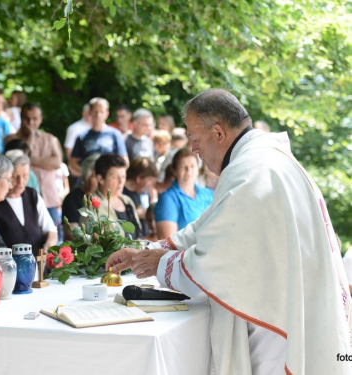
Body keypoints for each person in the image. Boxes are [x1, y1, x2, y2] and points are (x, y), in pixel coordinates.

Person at [106, 88, 352, 375]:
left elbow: (214, 262)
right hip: (292, 298)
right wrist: (149, 251)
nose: (193, 149)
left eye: (195, 138)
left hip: (275, 322)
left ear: (219, 133)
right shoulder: (260, 159)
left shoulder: (250, 172)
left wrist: (160, 263)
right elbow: (212, 224)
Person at [7, 102, 63, 228]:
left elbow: (57, 162)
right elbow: (18, 159)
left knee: (52, 235)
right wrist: (31, 136)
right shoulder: (11, 139)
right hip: (22, 196)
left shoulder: (50, 139)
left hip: (49, 197)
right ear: (21, 118)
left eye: (35, 119)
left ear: (41, 119)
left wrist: (30, 159)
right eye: (27, 118)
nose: (31, 123)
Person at [0, 150, 57, 255]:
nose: (21, 182)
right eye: (15, 177)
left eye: (25, 176)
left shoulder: (32, 195)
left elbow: (50, 229)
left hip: (39, 266)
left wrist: (49, 245)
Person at [154, 148, 213, 239]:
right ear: (174, 170)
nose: (188, 171)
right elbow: (169, 242)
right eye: (183, 167)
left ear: (198, 168)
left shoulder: (208, 193)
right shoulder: (168, 198)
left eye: (192, 166)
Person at [84, 154, 141, 239]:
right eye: (115, 177)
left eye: (123, 177)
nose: (121, 182)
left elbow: (138, 234)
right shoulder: (92, 208)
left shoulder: (127, 201)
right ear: (100, 179)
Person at [70, 97, 128, 176]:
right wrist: (87, 172)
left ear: (107, 114)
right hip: (88, 181)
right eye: (95, 111)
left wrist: (112, 174)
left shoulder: (115, 134)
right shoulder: (82, 136)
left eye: (101, 111)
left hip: (109, 179)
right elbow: (73, 162)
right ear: (90, 112)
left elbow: (125, 161)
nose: (98, 115)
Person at [62, 153, 99, 240]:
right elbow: (71, 234)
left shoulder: (105, 197)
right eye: (95, 176)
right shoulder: (72, 199)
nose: (100, 180)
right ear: (84, 178)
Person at [123, 157, 159, 237]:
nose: (150, 186)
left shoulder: (138, 192)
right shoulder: (121, 192)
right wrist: (135, 213)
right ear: (139, 178)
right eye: (150, 182)